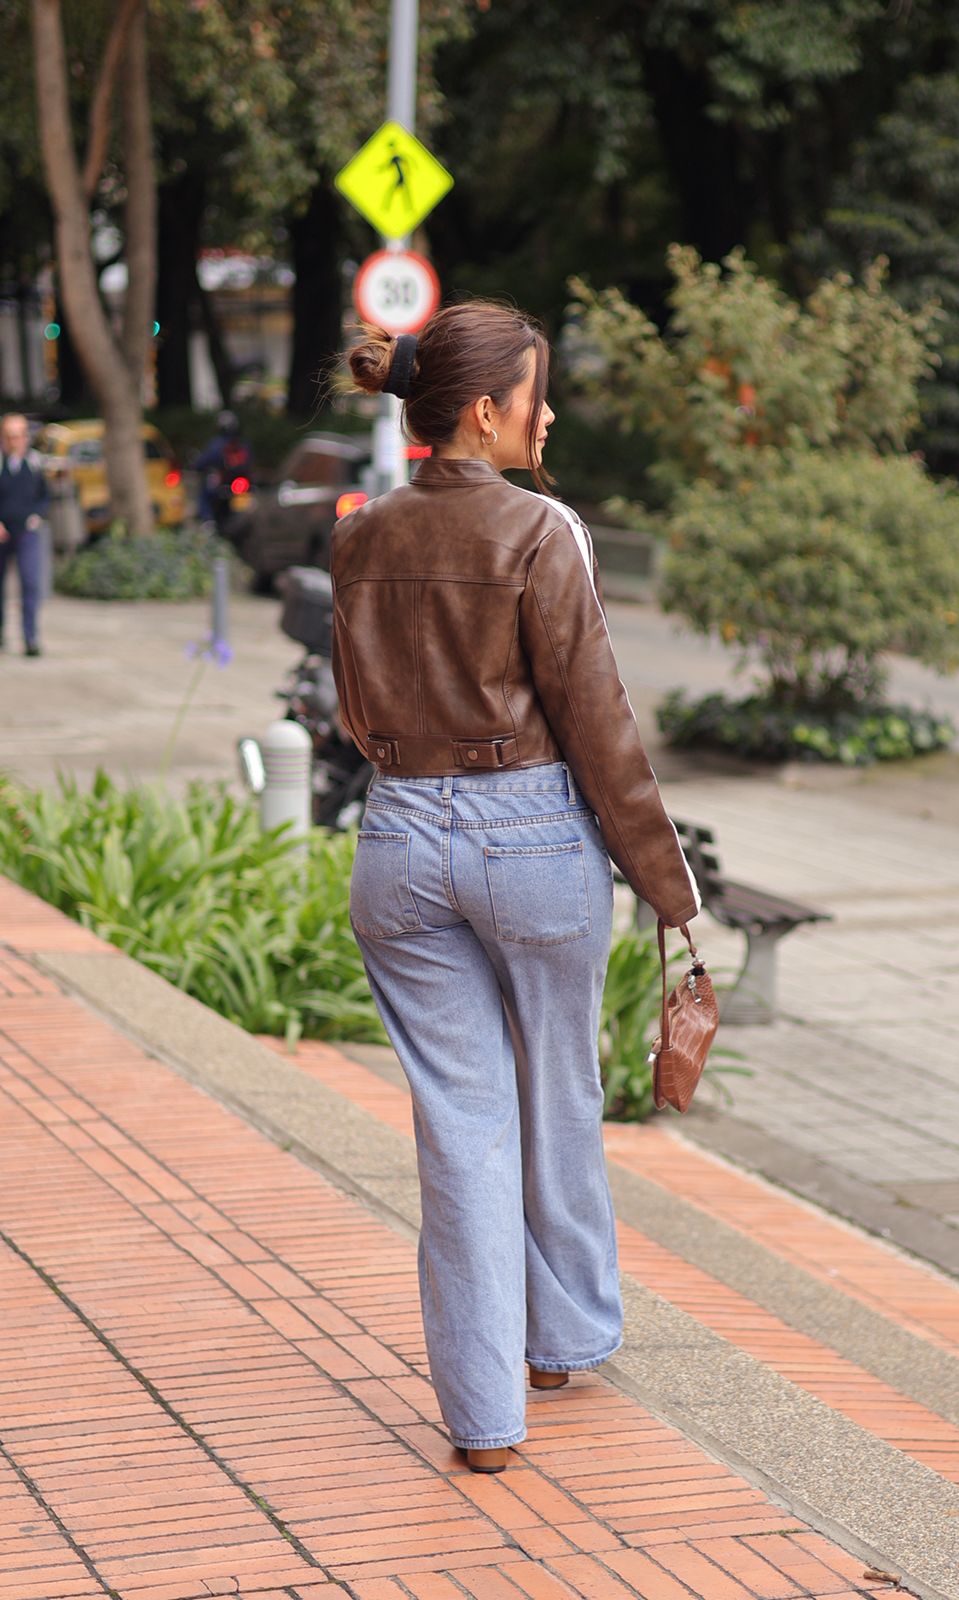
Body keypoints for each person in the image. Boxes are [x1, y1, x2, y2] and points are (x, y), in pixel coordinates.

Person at [332, 303, 699, 1475]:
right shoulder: (544, 532)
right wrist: (669, 888)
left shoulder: (358, 536)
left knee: (462, 1132)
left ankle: (485, 1422)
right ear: (485, 412)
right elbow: (599, 725)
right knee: (557, 1091)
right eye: (535, 395)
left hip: (397, 837)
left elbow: (354, 716)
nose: (547, 414)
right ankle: (561, 1341)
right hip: (532, 836)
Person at [0, 413, 50, 657]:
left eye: (18, 435)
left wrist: (36, 516)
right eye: (9, 436)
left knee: (30, 584)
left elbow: (44, 496)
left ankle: (30, 638)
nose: (14, 441)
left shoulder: (35, 463)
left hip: (27, 533)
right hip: (1, 532)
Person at [194, 410, 252, 526]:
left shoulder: (216, 443)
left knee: (205, 495)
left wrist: (196, 465)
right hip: (239, 483)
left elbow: (204, 461)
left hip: (223, 482)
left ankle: (207, 521)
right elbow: (250, 461)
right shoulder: (243, 443)